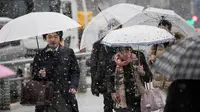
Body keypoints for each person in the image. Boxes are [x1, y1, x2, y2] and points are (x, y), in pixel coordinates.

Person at [31, 31, 80, 112]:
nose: (52, 39)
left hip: (65, 93)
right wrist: (39, 74)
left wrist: (73, 86)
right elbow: (34, 75)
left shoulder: (68, 52)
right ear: (45, 38)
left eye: (55, 37)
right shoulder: (40, 55)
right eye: (49, 37)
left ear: (60, 37)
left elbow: (75, 71)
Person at [90, 24, 122, 112]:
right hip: (106, 78)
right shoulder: (100, 44)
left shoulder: (123, 42)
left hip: (122, 78)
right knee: (108, 105)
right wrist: (94, 83)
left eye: (119, 28)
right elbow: (94, 64)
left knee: (123, 106)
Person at [109, 47, 152, 112]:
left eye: (126, 51)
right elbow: (109, 79)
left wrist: (142, 72)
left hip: (138, 98)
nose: (125, 54)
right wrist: (112, 92)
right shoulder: (115, 60)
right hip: (121, 98)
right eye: (122, 52)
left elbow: (149, 78)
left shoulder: (138, 56)